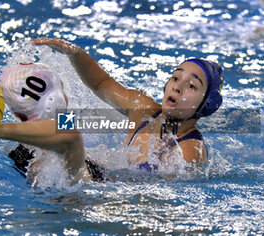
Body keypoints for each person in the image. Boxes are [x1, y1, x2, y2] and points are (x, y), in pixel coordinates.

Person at [28, 38, 224, 171]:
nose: (177, 87)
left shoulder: (190, 151)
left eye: (191, 85)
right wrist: (74, 53)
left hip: (124, 206)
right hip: (103, 181)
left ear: (205, 104)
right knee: (29, 153)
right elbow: (102, 83)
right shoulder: (143, 109)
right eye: (175, 78)